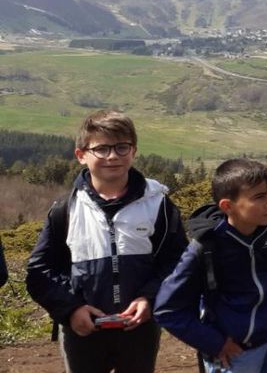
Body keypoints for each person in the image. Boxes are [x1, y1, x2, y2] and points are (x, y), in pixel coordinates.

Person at [26, 109, 188, 373]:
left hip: (140, 328)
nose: (113, 156)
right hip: (82, 330)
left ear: (134, 151)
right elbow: (39, 272)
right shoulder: (65, 209)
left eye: (122, 147)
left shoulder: (159, 205)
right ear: (81, 155)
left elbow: (177, 262)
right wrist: (72, 309)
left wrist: (149, 298)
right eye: (101, 149)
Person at [154, 158, 267, 372]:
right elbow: (167, 309)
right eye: (259, 197)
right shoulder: (206, 246)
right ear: (228, 206)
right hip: (234, 352)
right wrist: (214, 343)